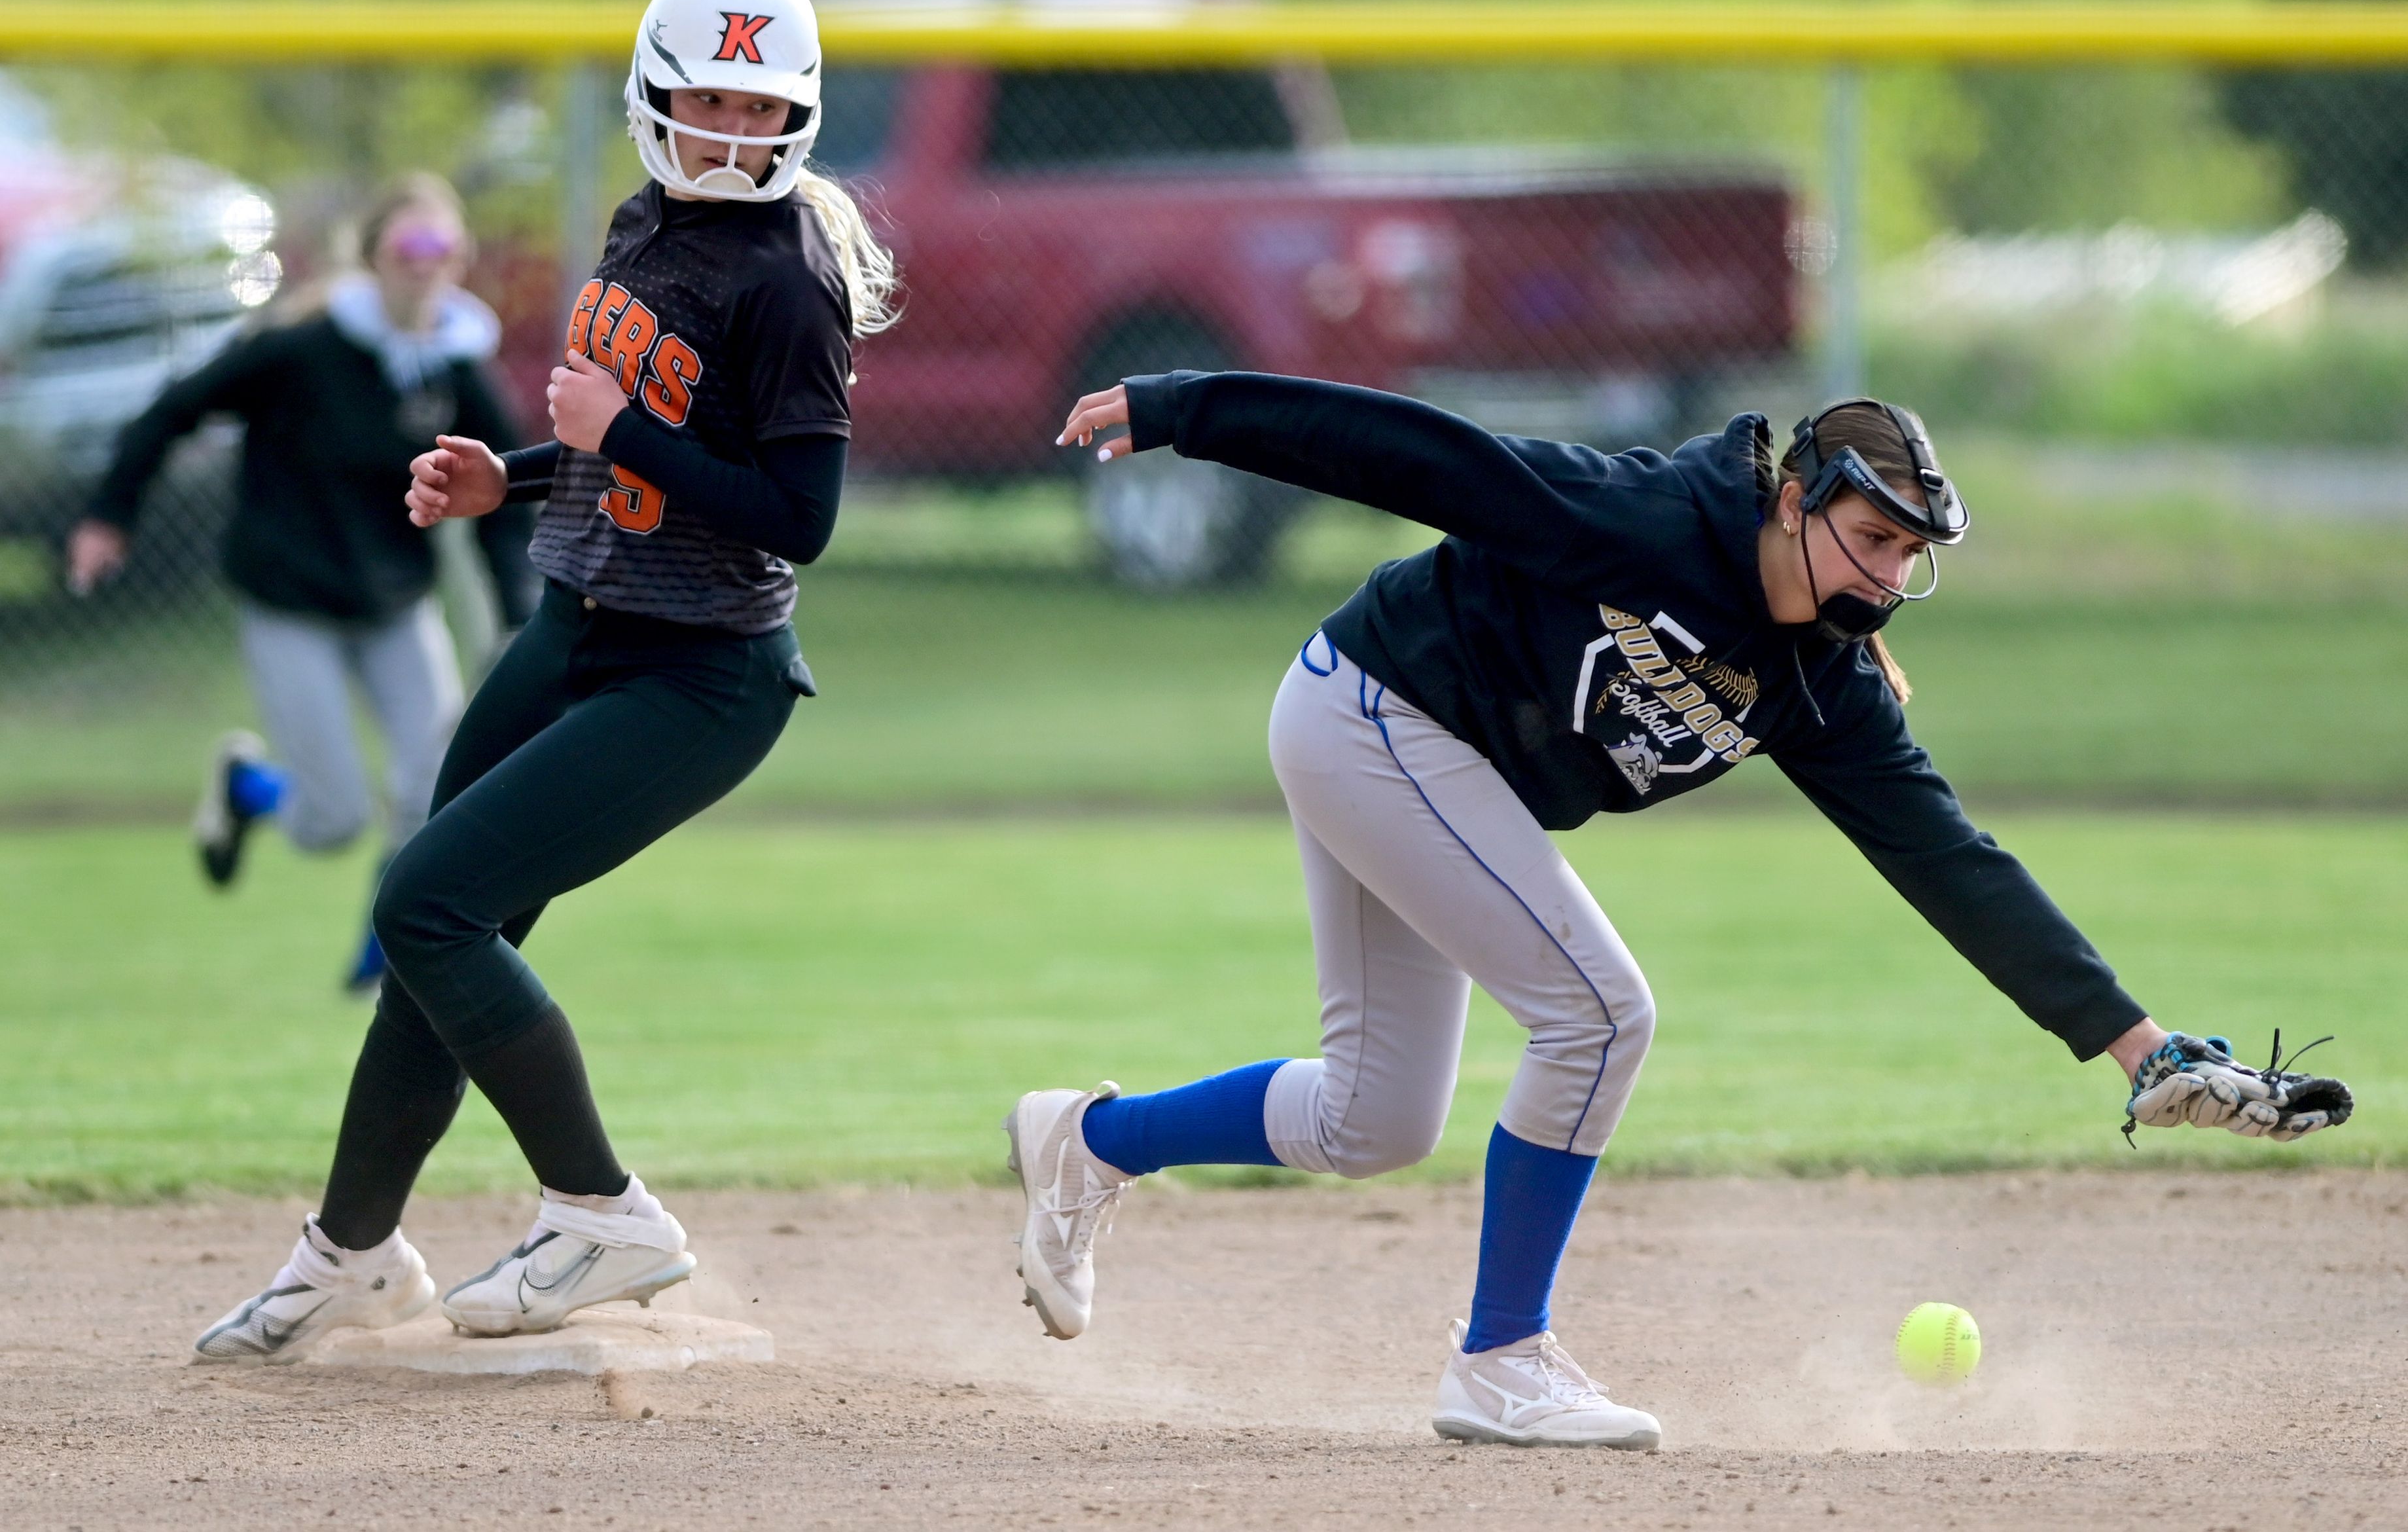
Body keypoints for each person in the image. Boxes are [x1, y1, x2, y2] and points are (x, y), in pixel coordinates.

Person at [1005, 377, 2354, 1449]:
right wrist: (1187, 407)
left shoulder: (1823, 680)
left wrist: (2144, 1046)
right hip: (1373, 710)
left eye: (1909, 551)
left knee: (1376, 1119)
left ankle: (1090, 1141)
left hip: (1410, 749)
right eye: (1870, 534)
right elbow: (1418, 454)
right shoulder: (1640, 519)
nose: (1887, 574)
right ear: (1792, 496)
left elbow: (1951, 858)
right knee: (1598, 1014)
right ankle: (1503, 1357)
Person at [190, 0, 898, 1362]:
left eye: (763, 103)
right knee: (436, 937)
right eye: (712, 96)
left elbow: (796, 521)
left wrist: (613, 434)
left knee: (432, 900)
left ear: (800, 111)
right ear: (656, 95)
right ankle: (350, 1254)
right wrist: (504, 480)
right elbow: (612, 439)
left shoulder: (787, 281)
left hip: (697, 675)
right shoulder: (651, 216)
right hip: (572, 626)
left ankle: (602, 1210)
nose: (736, 128)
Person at [69, 173, 541, 991]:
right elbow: (174, 409)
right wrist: (109, 515)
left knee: (433, 791)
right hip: (292, 600)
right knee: (332, 821)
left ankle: (384, 962)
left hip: (396, 603)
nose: (428, 263)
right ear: (373, 258)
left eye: (445, 248)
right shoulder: (303, 348)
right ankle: (249, 787)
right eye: (410, 245)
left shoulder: (455, 368)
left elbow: (506, 503)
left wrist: (517, 618)